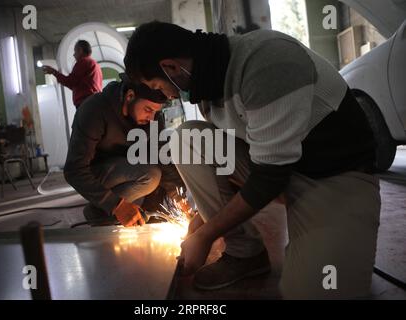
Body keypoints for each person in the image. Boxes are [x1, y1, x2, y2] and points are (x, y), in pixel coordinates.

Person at [124, 21, 379, 299]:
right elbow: (247, 159)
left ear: (171, 67)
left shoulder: (267, 63)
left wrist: (206, 236)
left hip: (334, 176)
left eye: (157, 86)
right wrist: (200, 220)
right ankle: (245, 254)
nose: (166, 96)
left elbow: (269, 178)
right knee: (187, 139)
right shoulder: (207, 86)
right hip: (282, 171)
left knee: (315, 291)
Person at [64, 74, 186, 227]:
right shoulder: (94, 109)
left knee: (160, 179)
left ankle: (115, 210)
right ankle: (99, 213)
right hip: (95, 174)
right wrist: (117, 205)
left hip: (128, 170)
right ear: (130, 96)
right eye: (148, 109)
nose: (151, 117)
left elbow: (162, 158)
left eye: (156, 112)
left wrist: (180, 200)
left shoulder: (153, 119)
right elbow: (74, 170)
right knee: (151, 175)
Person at [43, 40, 103, 108]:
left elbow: (70, 82)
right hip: (95, 102)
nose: (74, 55)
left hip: (87, 103)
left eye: (75, 51)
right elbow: (76, 85)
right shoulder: (95, 65)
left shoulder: (83, 62)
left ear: (80, 50)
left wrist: (54, 72)